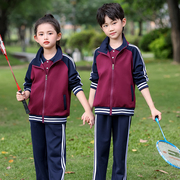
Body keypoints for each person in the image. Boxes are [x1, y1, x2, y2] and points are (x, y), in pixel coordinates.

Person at [84, 3, 162, 180]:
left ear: (123, 22)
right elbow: (94, 82)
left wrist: (152, 107)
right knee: (100, 154)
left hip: (124, 111)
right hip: (102, 111)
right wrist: (89, 109)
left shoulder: (133, 52)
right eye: (105, 25)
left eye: (113, 22)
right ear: (101, 28)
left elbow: (141, 81)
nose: (110, 28)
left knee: (120, 155)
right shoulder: (98, 53)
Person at [16, 14, 94, 180]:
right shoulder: (34, 63)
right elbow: (28, 85)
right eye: (42, 34)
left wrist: (88, 110)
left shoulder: (66, 62)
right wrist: (25, 94)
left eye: (50, 33)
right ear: (36, 38)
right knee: (39, 158)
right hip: (35, 118)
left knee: (55, 158)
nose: (46, 37)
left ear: (58, 36)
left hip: (56, 120)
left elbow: (77, 87)